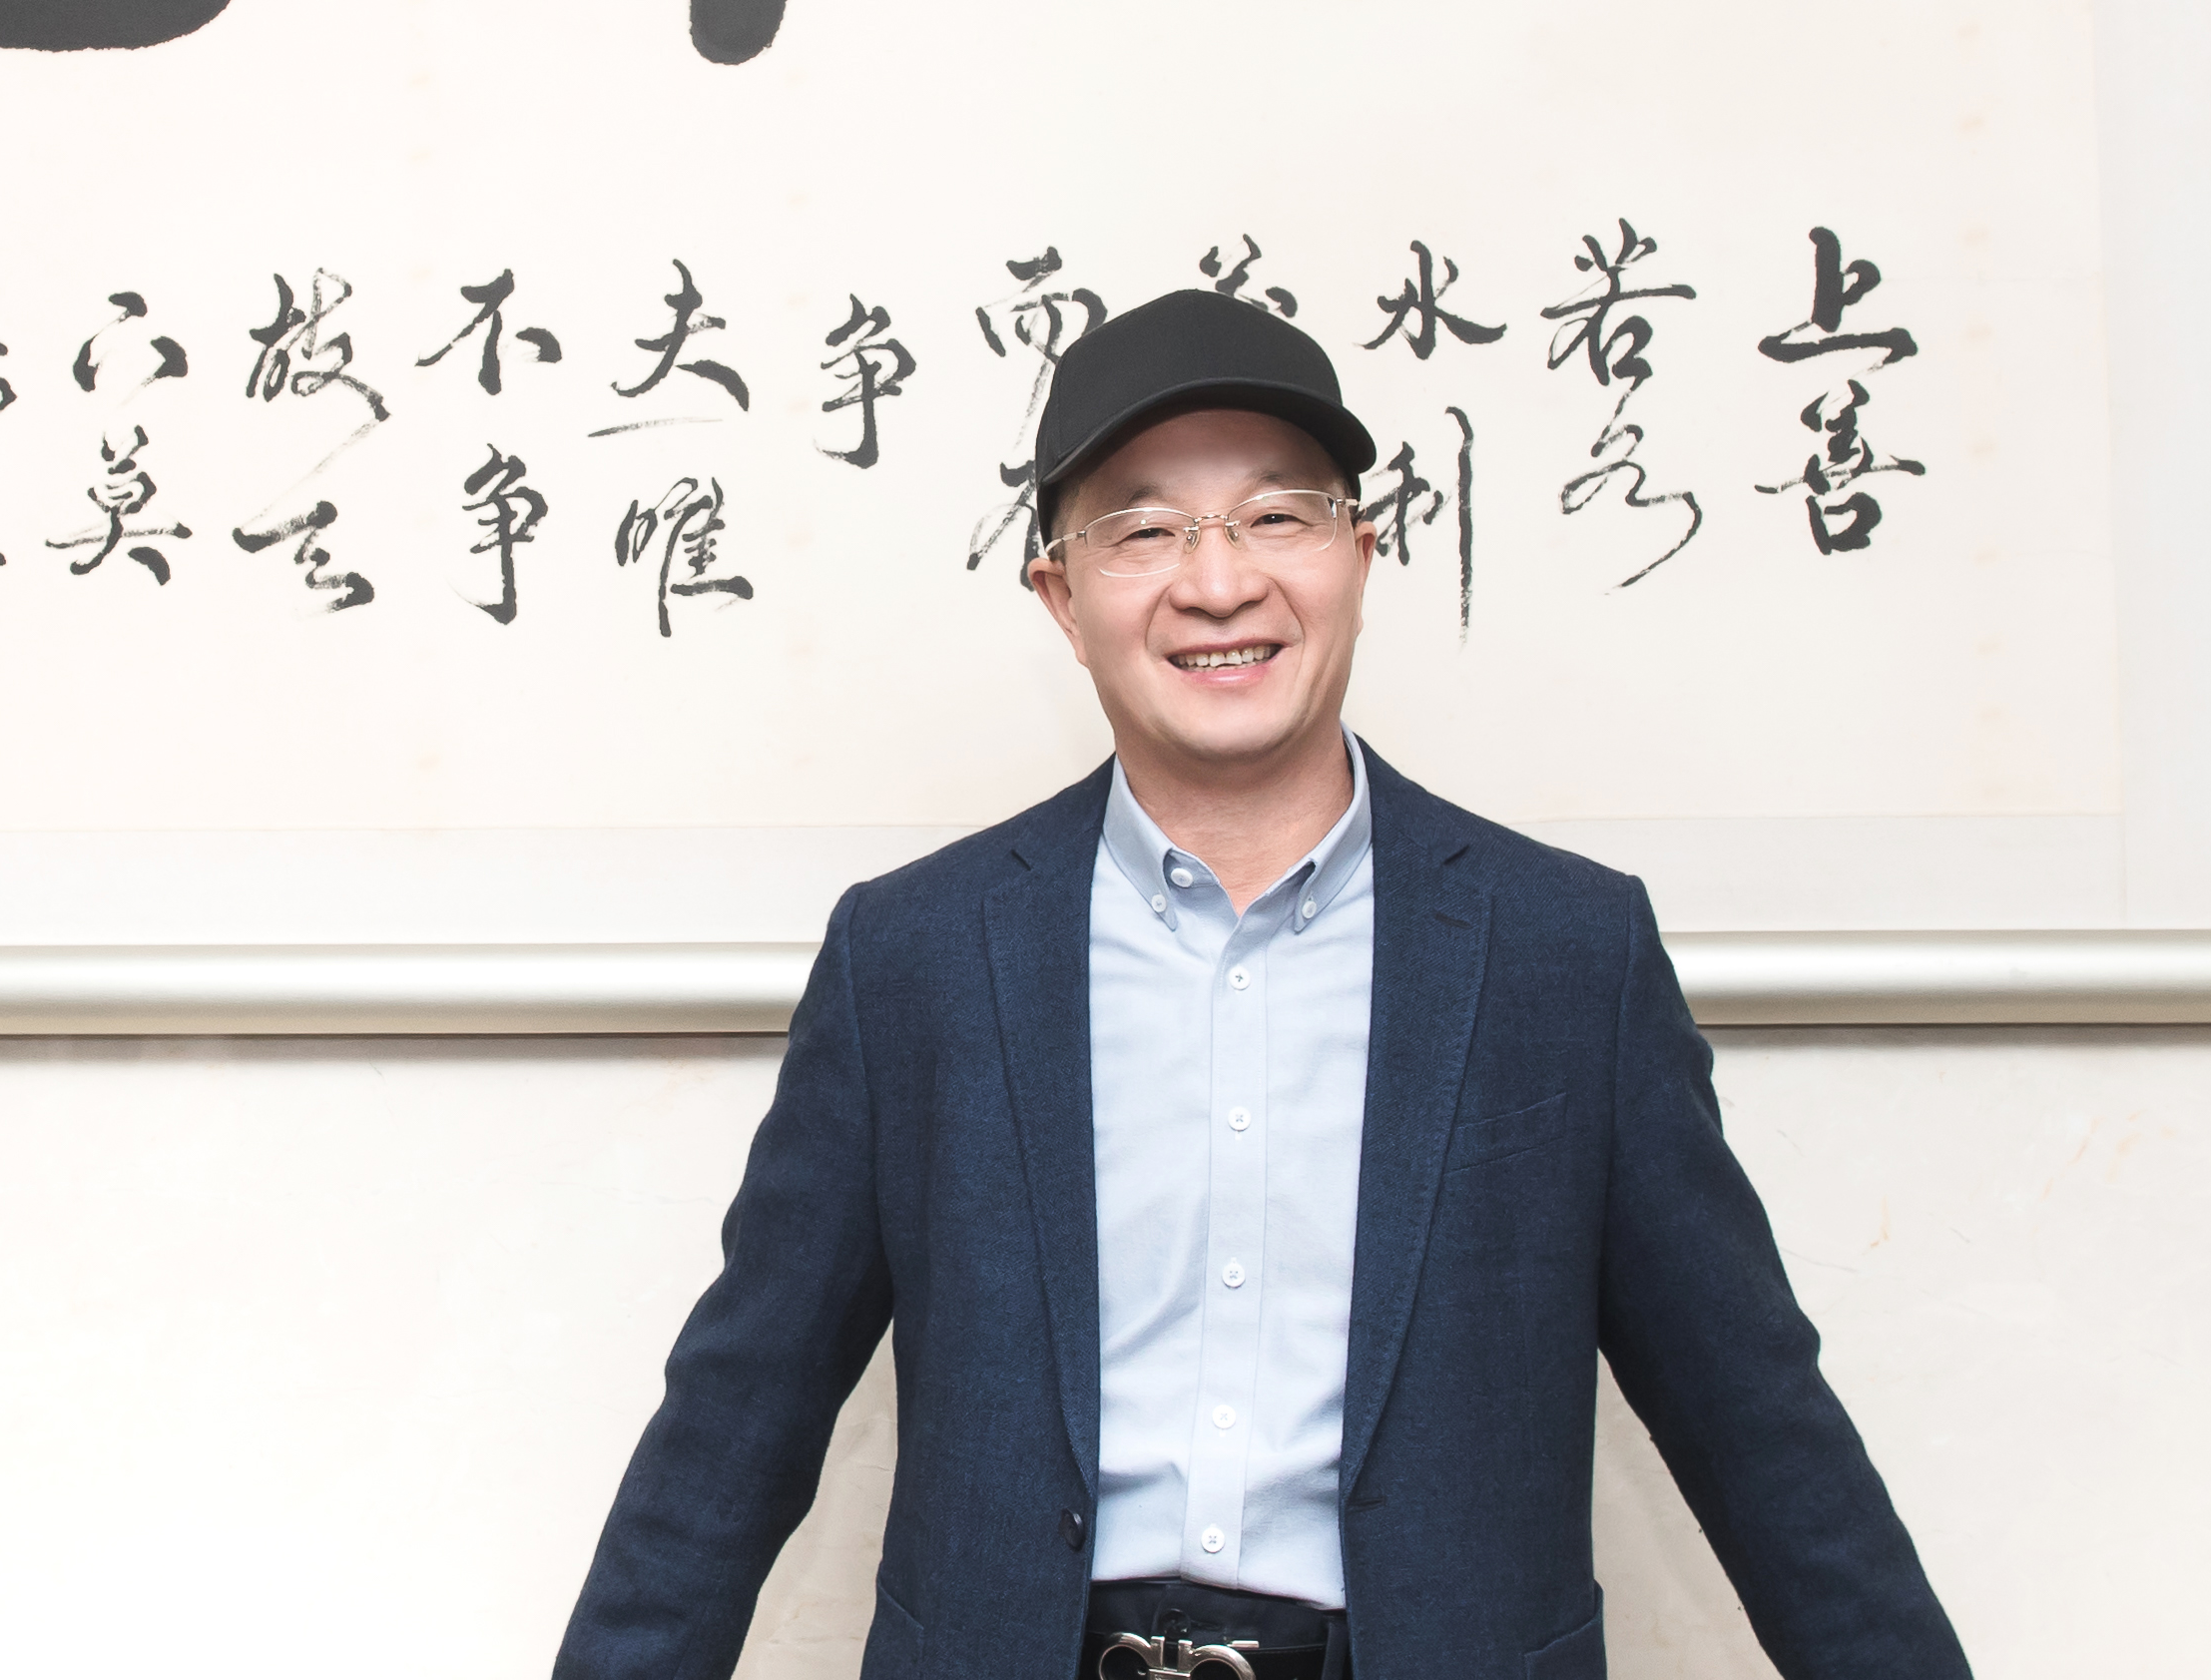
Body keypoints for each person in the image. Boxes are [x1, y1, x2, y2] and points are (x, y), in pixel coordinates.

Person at [551, 290, 1968, 1680]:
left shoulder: (1563, 951)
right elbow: (733, 1430)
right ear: (1061, 596)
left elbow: (1759, 1430)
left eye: (1277, 517)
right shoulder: (915, 956)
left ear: (1361, 551)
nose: (1219, 583)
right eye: (1143, 530)